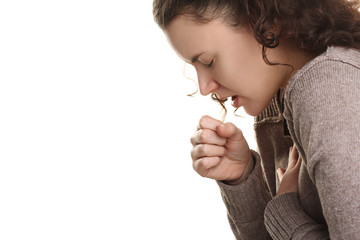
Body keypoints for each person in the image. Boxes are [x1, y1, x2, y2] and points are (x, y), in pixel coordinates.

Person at [153, 0, 360, 239]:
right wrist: (241, 177)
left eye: (208, 61)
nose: (203, 87)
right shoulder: (275, 103)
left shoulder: (329, 89)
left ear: (268, 23)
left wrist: (284, 211)